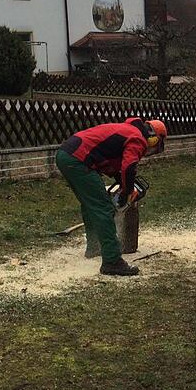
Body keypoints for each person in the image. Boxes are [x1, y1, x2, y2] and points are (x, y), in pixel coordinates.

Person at [55, 117, 167, 276]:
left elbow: (109, 158)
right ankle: (112, 261)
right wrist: (127, 191)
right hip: (78, 159)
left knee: (90, 205)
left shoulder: (128, 130)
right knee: (103, 208)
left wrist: (121, 180)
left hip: (66, 155)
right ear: (154, 138)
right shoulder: (138, 139)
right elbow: (129, 167)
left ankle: (95, 248)